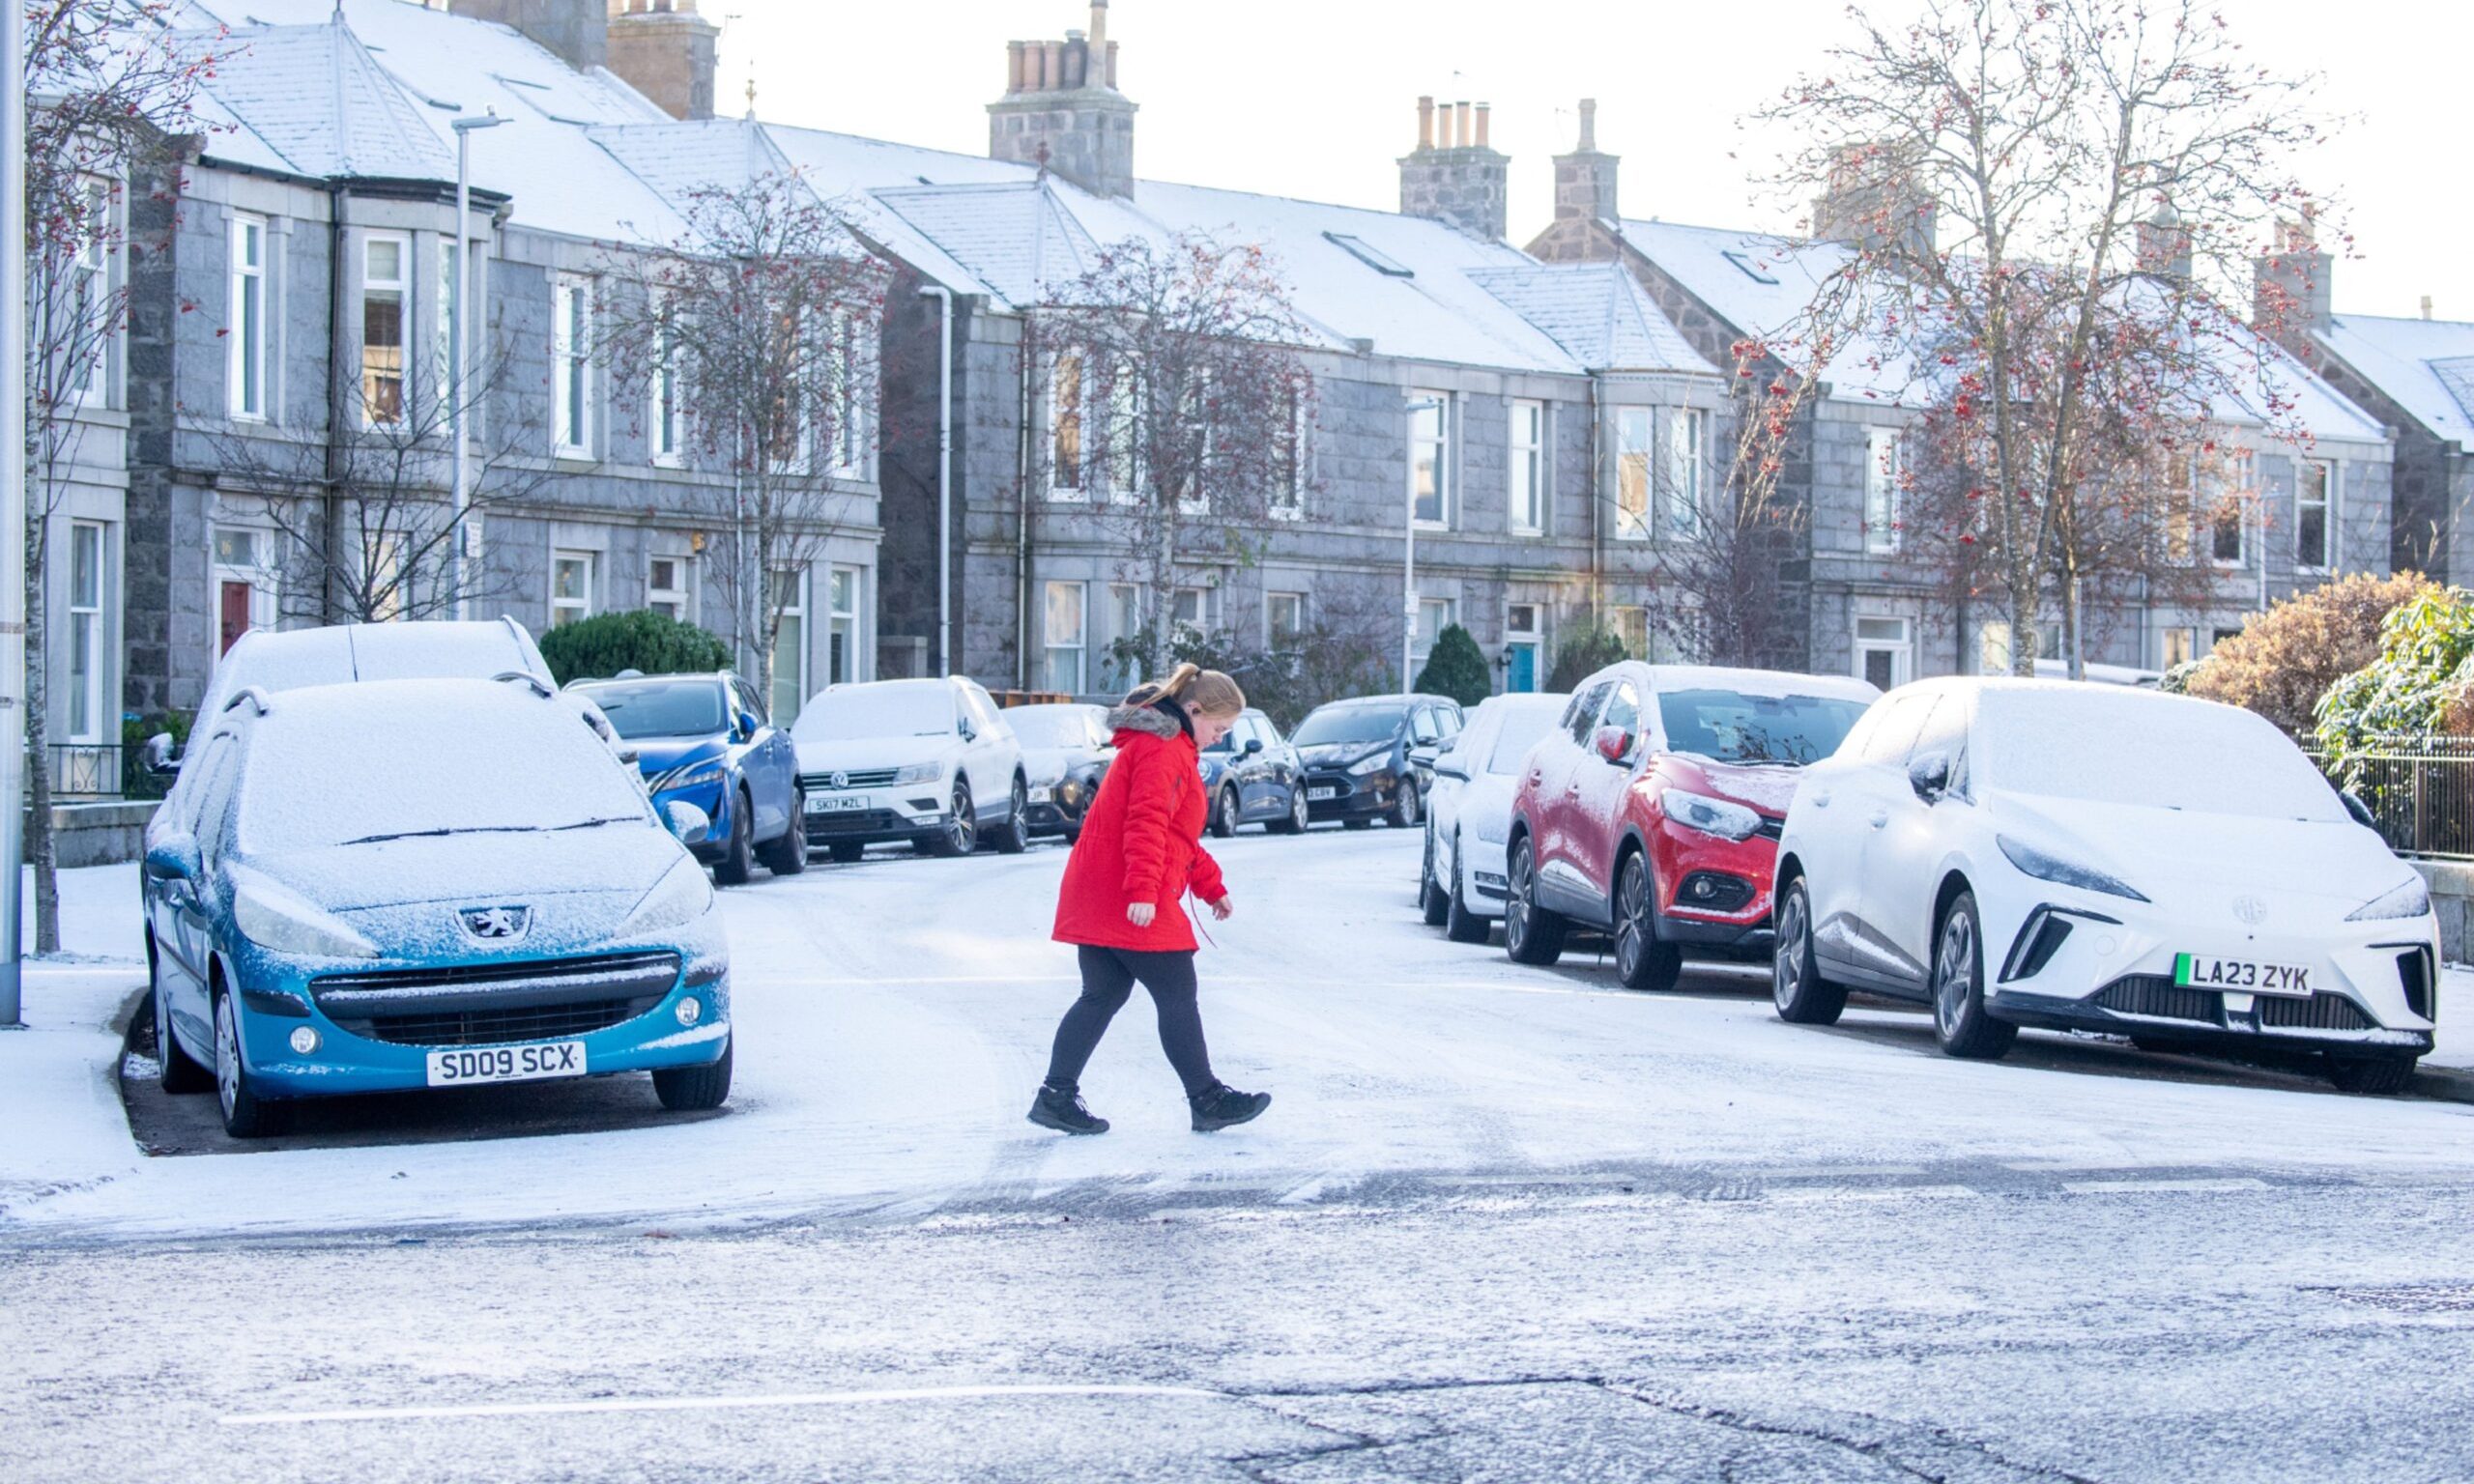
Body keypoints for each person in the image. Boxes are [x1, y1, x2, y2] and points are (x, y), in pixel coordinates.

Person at [1031, 663, 1273, 1136]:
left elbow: (1177, 835)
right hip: (1127, 892)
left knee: (1102, 994)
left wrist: (1211, 887)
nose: (1219, 738)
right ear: (1193, 709)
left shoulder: (1169, 747)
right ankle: (1207, 1099)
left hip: (1104, 888)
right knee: (1177, 994)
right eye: (1218, 728)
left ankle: (1055, 1096)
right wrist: (1142, 892)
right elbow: (1145, 824)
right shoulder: (1163, 750)